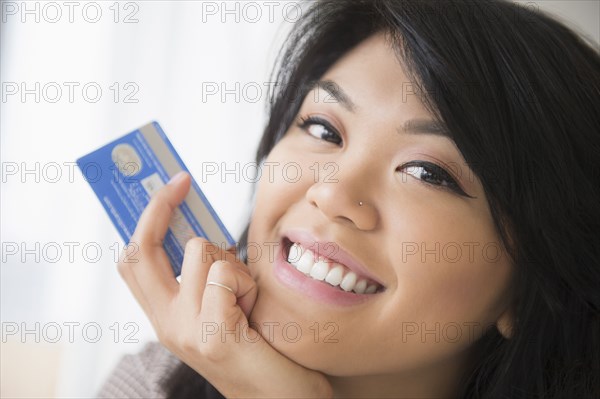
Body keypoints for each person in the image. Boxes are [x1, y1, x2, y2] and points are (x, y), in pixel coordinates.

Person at [98, 0, 600, 398]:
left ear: (528, 285)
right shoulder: (150, 385)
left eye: (428, 172)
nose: (333, 193)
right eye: (322, 128)